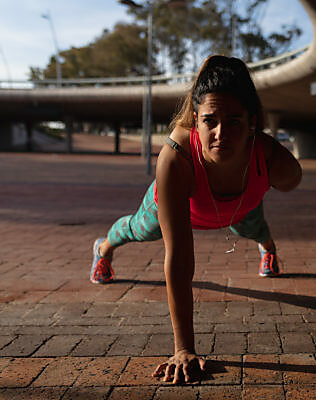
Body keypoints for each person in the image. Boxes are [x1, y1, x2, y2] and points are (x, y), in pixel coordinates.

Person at [89, 55, 302, 383]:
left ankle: (268, 248)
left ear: (252, 123)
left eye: (234, 121)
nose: (220, 133)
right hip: (185, 204)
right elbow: (179, 258)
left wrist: (269, 157)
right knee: (140, 229)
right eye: (210, 120)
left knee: (253, 226)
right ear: (195, 119)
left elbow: (292, 180)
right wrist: (183, 348)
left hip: (238, 206)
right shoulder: (176, 157)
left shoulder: (266, 154)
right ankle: (103, 248)